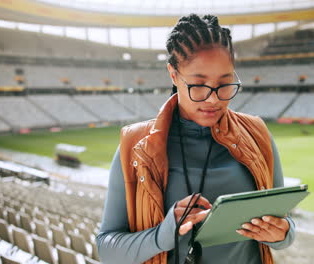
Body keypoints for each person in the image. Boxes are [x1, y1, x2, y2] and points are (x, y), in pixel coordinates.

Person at [96, 14, 295, 264]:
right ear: (173, 74)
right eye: (198, 85)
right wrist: (161, 235)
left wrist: (281, 233)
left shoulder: (257, 133)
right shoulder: (136, 145)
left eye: (225, 83)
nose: (214, 99)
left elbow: (284, 226)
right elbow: (106, 249)